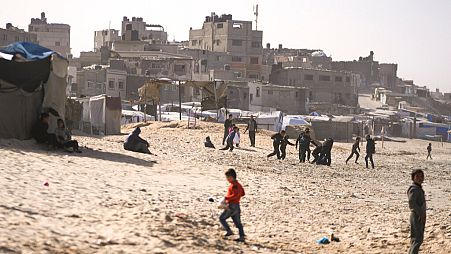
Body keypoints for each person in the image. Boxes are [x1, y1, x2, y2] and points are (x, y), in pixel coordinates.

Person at [219, 168, 245, 242]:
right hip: (237, 206)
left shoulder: (234, 185)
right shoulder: (239, 185)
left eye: (227, 177)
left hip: (232, 205)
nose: (227, 179)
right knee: (238, 223)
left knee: (222, 218)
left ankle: (229, 231)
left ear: (231, 177)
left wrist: (226, 198)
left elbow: (235, 195)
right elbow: (243, 193)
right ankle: (242, 237)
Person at [407, 169, 426, 254]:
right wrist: (420, 214)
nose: (420, 178)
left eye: (421, 176)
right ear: (413, 178)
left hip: (418, 215)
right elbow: (411, 203)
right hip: (416, 215)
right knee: (417, 239)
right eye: (417, 176)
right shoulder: (414, 189)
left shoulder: (418, 187)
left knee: (416, 239)